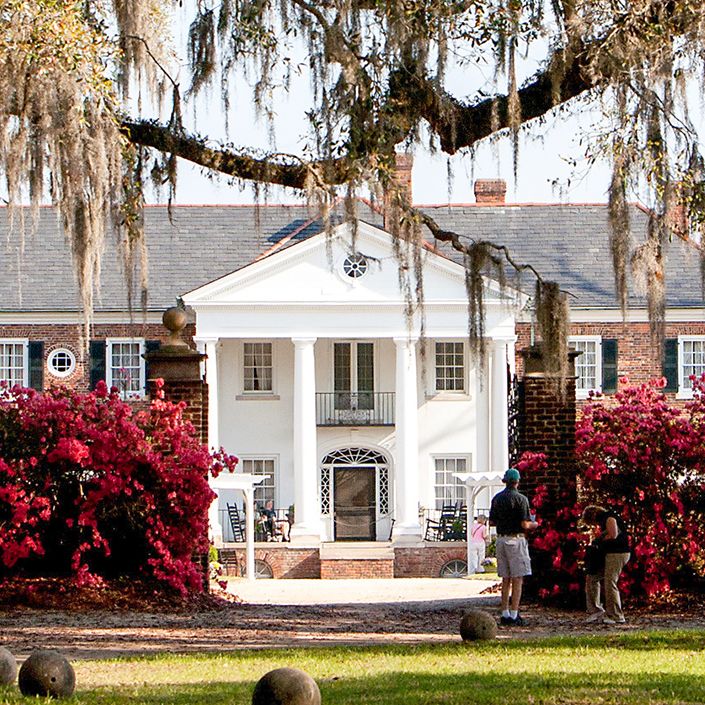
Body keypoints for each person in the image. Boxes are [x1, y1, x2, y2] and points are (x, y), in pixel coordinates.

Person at [489, 468, 538, 626]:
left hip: (501, 540)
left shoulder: (496, 499)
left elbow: (491, 522)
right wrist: (534, 524)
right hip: (516, 540)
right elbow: (525, 523)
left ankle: (504, 613)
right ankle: (515, 614)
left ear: (505, 481)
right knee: (518, 578)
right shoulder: (521, 499)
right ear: (517, 481)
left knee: (506, 579)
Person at [581, 505, 631, 624]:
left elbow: (613, 535)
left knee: (610, 582)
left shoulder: (609, 518)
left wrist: (600, 540)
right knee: (592, 577)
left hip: (617, 553)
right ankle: (595, 610)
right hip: (609, 554)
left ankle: (616, 615)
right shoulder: (606, 519)